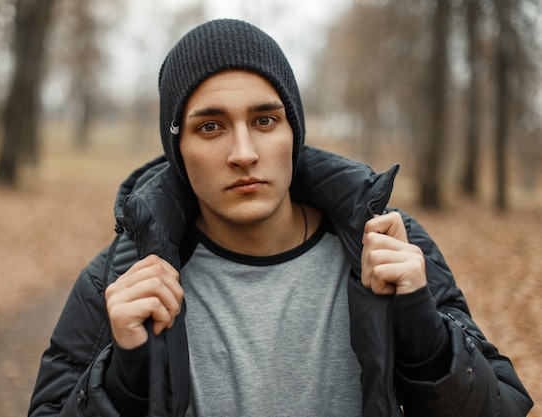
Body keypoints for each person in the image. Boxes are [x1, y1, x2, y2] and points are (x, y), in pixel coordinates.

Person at [28, 19, 533, 417]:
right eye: (210, 127)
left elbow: (502, 406)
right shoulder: (120, 279)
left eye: (265, 120)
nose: (243, 152)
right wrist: (128, 376)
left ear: (294, 131)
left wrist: (424, 334)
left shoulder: (386, 247)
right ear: (176, 149)